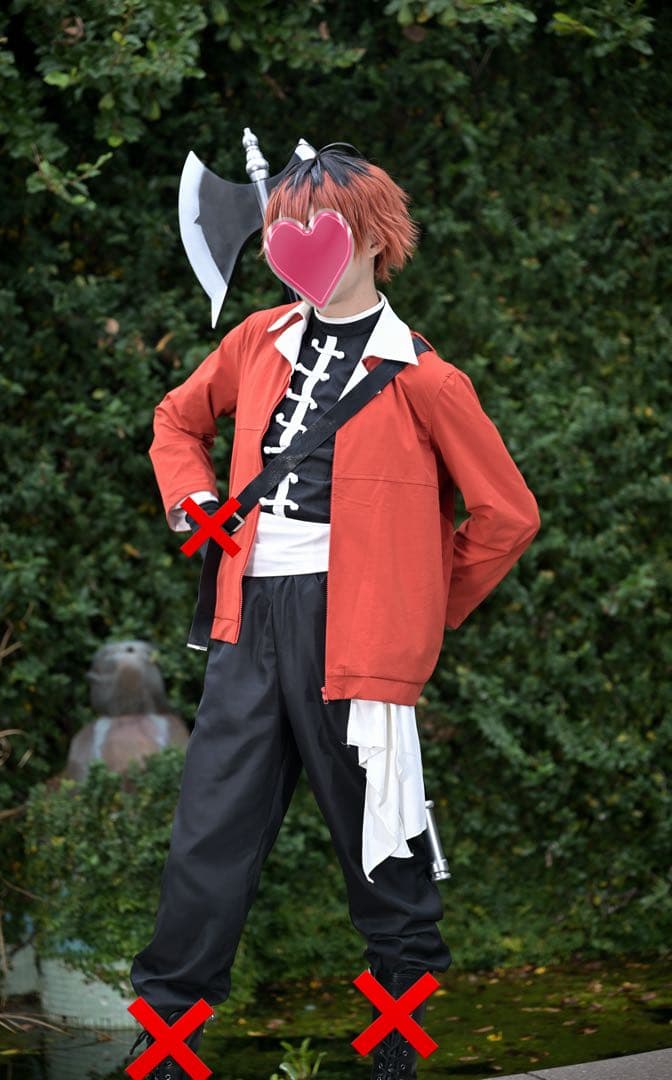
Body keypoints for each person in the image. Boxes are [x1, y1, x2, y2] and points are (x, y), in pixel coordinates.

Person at [127, 145, 541, 1079]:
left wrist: (415, 610)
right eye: (281, 233)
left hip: (356, 636)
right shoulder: (254, 341)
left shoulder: (426, 378)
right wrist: (193, 499)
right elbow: (177, 421)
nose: (296, 250)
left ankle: (397, 1046)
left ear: (373, 240)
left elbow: (508, 515)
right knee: (207, 836)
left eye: (317, 232)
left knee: (382, 846)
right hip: (246, 621)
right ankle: (164, 1047)